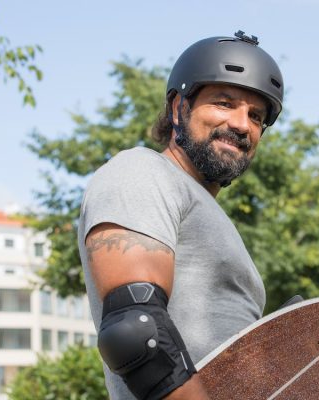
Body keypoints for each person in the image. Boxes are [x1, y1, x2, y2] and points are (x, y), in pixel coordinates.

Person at [77, 30, 284, 399]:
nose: (241, 124)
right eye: (223, 103)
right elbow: (135, 333)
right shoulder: (142, 171)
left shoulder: (214, 218)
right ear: (178, 107)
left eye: (255, 116)